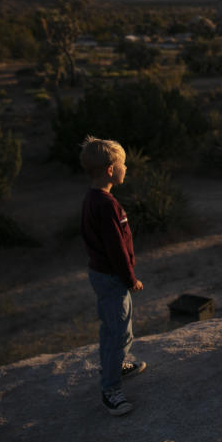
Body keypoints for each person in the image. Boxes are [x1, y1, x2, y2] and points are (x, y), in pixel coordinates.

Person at [79, 136, 147, 416]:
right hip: (112, 276)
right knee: (117, 332)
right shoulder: (107, 205)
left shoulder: (93, 198)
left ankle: (115, 365)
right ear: (110, 169)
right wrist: (129, 277)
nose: (126, 169)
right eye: (123, 165)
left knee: (116, 327)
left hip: (102, 274)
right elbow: (116, 249)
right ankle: (110, 389)